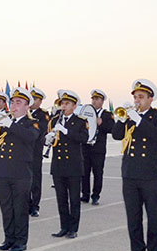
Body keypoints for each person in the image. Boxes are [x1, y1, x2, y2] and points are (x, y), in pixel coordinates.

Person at [113, 79, 157, 251]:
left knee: (153, 216)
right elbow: (117, 136)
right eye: (135, 97)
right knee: (133, 216)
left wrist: (138, 119)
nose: (137, 100)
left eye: (141, 97)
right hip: (130, 172)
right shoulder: (129, 117)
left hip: (150, 173)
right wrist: (121, 120)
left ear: (150, 99)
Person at [0, 87, 40, 251]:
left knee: (20, 208)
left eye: (18, 102)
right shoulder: (5, 122)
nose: (14, 105)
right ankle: (8, 238)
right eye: (12, 102)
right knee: (6, 208)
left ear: (27, 106)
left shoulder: (31, 123)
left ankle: (20, 240)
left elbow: (30, 137)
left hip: (20, 173)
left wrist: (10, 124)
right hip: (2, 170)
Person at [48, 89, 90, 239]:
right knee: (61, 198)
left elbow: (84, 138)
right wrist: (49, 139)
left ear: (74, 105)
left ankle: (73, 228)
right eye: (62, 104)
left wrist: (65, 131)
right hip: (58, 165)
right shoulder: (54, 120)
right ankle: (63, 227)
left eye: (67, 104)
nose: (63, 106)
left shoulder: (80, 121)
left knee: (74, 198)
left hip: (73, 165)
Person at [81, 89, 114, 205]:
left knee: (97, 172)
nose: (94, 101)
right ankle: (85, 194)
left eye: (97, 99)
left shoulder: (106, 114)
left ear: (102, 101)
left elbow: (111, 129)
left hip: (98, 149)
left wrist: (102, 124)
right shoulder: (86, 112)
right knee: (84, 172)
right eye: (93, 99)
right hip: (86, 147)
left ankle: (95, 195)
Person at [27, 87, 51, 217]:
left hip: (35, 150)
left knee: (35, 179)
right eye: (32, 99)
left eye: (35, 99)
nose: (33, 101)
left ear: (40, 101)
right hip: (24, 151)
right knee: (24, 179)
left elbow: (41, 129)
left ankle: (35, 206)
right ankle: (26, 204)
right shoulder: (25, 112)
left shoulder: (43, 114)